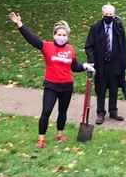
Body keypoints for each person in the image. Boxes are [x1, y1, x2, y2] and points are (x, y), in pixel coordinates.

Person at [8, 13, 94, 148]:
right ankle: (41, 139)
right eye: (59, 35)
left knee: (63, 112)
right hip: (51, 85)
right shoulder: (46, 46)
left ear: (67, 37)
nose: (61, 37)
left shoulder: (70, 49)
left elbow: (74, 67)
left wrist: (85, 66)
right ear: (54, 35)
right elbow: (32, 39)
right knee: (46, 111)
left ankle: (60, 134)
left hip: (67, 86)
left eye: (64, 35)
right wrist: (20, 25)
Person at [85, 4, 126, 124]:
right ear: (102, 15)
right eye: (106, 15)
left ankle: (113, 111)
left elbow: (123, 45)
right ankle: (100, 112)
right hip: (100, 64)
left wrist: (124, 63)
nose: (108, 17)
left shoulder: (119, 27)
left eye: (111, 15)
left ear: (114, 15)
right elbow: (88, 46)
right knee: (101, 89)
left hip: (115, 64)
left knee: (114, 88)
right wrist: (92, 60)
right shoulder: (95, 28)